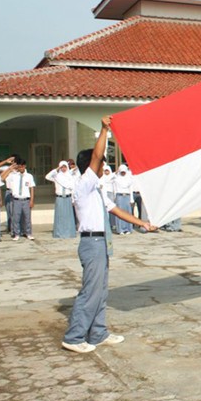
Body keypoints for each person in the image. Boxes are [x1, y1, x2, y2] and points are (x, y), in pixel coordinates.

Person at [62, 116, 156, 354]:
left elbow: (116, 210)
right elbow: (95, 157)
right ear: (90, 168)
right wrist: (104, 130)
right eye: (101, 164)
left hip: (101, 241)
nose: (104, 167)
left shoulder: (96, 191)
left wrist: (142, 223)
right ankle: (74, 337)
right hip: (91, 242)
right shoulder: (83, 186)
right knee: (90, 291)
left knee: (101, 290)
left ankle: (98, 333)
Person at [2, 159, 35, 241]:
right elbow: (2, 178)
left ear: (24, 166)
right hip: (16, 199)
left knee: (27, 217)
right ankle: (16, 233)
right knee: (16, 217)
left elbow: (32, 188)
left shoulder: (29, 176)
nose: (20, 168)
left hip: (26, 199)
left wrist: (31, 200)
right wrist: (10, 168)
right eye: (18, 167)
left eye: (21, 167)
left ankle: (28, 233)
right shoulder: (13, 176)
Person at [45, 161, 77, 238]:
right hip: (59, 198)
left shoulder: (70, 177)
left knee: (68, 216)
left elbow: (73, 189)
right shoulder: (57, 176)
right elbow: (47, 176)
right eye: (62, 167)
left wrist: (73, 199)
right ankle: (59, 233)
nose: (63, 169)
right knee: (60, 216)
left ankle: (69, 233)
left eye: (65, 167)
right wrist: (57, 169)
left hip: (68, 197)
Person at [112, 165, 134, 234]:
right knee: (119, 212)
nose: (123, 173)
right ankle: (120, 229)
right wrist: (114, 198)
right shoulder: (116, 179)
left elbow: (131, 189)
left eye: (124, 172)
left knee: (127, 213)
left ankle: (128, 229)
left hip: (127, 196)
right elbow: (114, 188)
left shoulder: (129, 179)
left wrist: (131, 199)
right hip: (119, 196)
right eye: (122, 172)